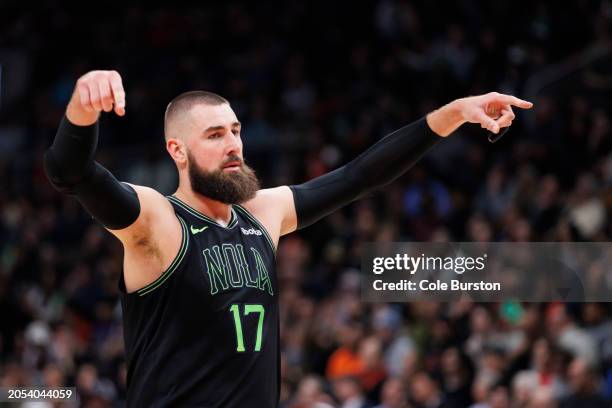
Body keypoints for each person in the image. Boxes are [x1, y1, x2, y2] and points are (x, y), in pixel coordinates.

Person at [43, 70, 533, 407]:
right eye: (214, 135)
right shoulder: (158, 220)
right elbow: (70, 172)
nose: (234, 144)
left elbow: (360, 176)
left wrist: (453, 114)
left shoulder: (263, 212)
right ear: (178, 150)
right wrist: (82, 110)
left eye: (235, 130)